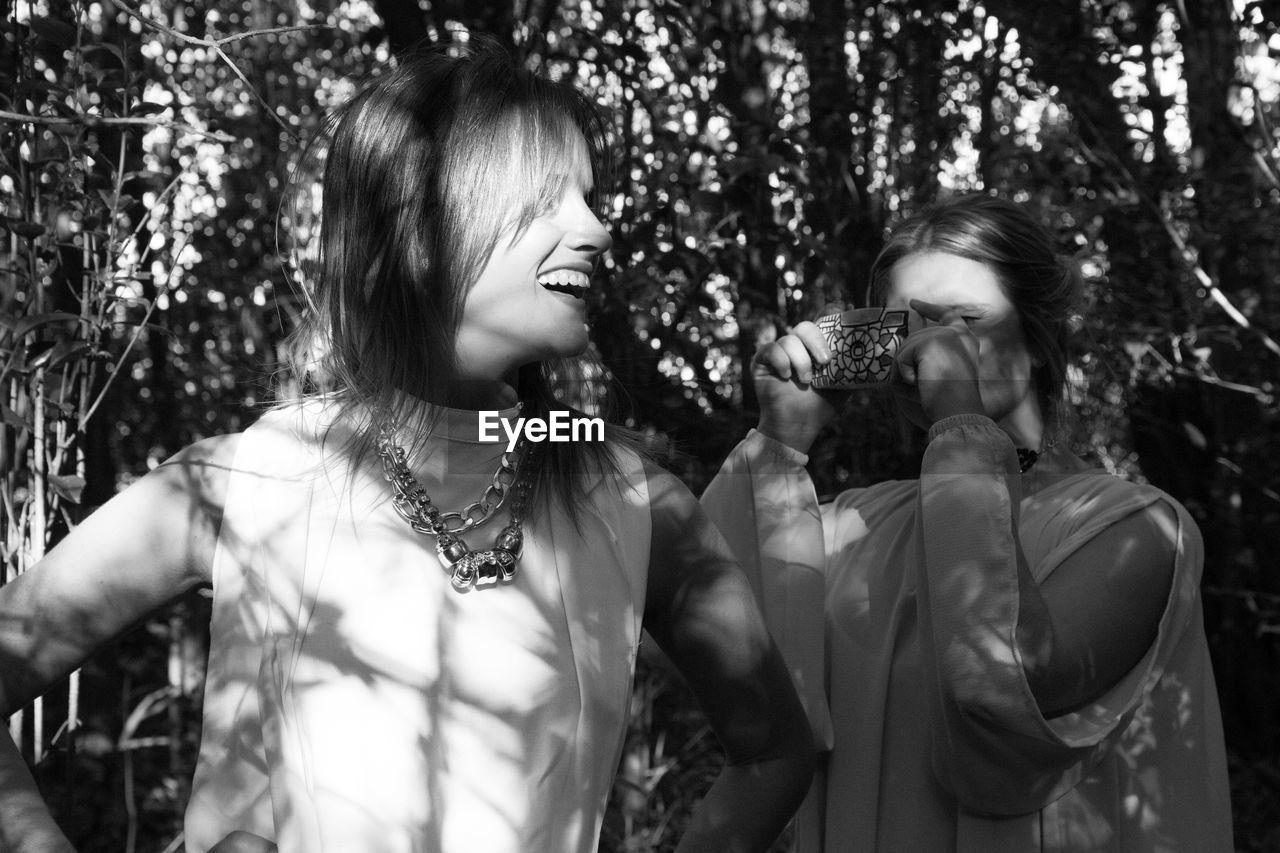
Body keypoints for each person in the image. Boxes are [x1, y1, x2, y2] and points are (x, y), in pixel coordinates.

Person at [0, 43, 814, 853]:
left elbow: (777, 752)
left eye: (591, 199)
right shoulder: (244, 479)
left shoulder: (634, 499)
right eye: (544, 200)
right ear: (412, 231)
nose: (596, 230)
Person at [702, 194, 1232, 852]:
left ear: (1036, 341)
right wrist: (779, 442)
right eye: (911, 325)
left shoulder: (1141, 527)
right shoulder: (849, 525)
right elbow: (720, 661)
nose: (931, 346)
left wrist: (960, 426)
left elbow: (1003, 691)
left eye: (963, 321)